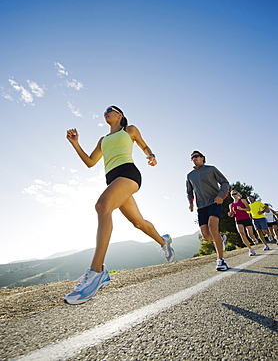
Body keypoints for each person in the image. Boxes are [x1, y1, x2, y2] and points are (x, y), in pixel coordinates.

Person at [64, 105, 175, 305]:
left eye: (110, 110)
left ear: (120, 115)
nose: (106, 112)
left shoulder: (129, 130)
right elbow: (90, 162)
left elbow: (144, 145)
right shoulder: (103, 140)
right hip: (113, 179)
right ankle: (163, 241)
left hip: (129, 174)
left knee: (102, 206)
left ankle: (97, 271)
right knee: (138, 223)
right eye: (104, 111)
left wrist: (151, 155)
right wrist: (75, 143)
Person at [186, 150, 230, 271]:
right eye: (192, 158)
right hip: (201, 207)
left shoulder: (211, 169)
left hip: (214, 202)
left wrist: (221, 196)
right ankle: (220, 238)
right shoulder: (190, 175)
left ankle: (221, 260)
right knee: (206, 235)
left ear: (202, 158)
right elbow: (189, 191)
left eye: (196, 156)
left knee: (212, 227)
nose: (194, 159)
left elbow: (225, 183)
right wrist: (191, 203)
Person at [228, 190, 257, 256]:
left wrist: (241, 209)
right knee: (242, 234)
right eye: (232, 194)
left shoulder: (243, 201)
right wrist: (230, 214)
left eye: (235, 193)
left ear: (238, 194)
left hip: (246, 219)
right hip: (238, 220)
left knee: (250, 235)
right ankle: (250, 249)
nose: (234, 195)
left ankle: (254, 239)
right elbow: (232, 214)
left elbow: (249, 209)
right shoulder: (231, 205)